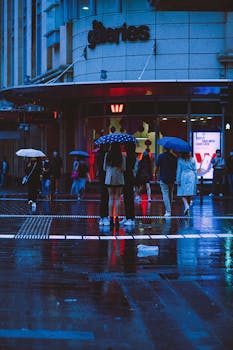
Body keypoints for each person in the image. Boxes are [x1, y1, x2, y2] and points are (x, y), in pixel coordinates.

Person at [103, 142, 126, 226]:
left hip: (110, 178)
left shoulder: (107, 155)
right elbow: (124, 168)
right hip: (119, 178)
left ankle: (110, 218)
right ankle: (116, 218)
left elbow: (104, 168)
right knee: (117, 198)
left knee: (111, 198)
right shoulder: (122, 156)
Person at [155, 147, 177, 217]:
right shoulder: (174, 157)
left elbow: (157, 166)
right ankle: (169, 209)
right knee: (170, 193)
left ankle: (168, 211)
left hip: (163, 177)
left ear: (164, 148)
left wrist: (155, 174)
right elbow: (176, 167)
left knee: (165, 194)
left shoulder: (161, 156)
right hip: (172, 177)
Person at [120, 142, 137, 226]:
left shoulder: (129, 157)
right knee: (128, 198)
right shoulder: (133, 156)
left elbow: (126, 168)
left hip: (128, 178)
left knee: (128, 198)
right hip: (129, 178)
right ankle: (128, 217)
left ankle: (130, 217)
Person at [97, 144, 109, 225]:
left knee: (103, 197)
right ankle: (106, 216)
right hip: (107, 176)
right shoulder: (106, 155)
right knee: (107, 197)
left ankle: (102, 216)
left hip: (102, 177)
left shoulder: (99, 155)